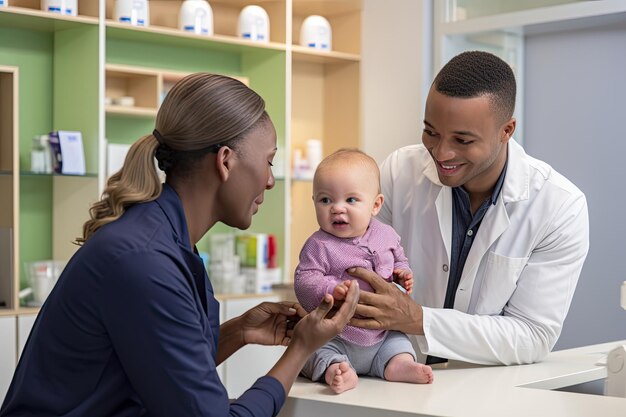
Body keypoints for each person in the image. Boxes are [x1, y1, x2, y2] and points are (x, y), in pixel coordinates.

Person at [0, 73, 359, 417]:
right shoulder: (145, 261)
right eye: (268, 161)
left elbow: (163, 372)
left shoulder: (166, 243)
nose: (269, 181)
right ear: (225, 161)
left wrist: (240, 331)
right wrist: (301, 349)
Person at [349, 50, 589, 366]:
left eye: (462, 141)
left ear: (507, 131)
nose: (441, 153)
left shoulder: (558, 207)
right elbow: (356, 265)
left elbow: (532, 336)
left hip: (484, 395)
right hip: (391, 375)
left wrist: (418, 319)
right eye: (431, 132)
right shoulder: (398, 172)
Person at [294, 149, 433, 394]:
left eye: (350, 200)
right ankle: (338, 370)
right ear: (314, 200)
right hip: (336, 337)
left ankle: (399, 365)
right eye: (325, 200)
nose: (337, 208)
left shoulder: (387, 235)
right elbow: (304, 280)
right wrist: (330, 289)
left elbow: (399, 259)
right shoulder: (319, 245)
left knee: (399, 342)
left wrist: (402, 273)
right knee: (313, 352)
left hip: (381, 334)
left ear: (375, 204)